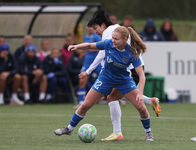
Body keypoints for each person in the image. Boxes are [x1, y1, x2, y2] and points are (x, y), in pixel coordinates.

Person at [72, 10, 160, 141]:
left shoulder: (115, 37)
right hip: (120, 72)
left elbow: (102, 53)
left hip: (129, 72)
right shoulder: (114, 32)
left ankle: (121, 132)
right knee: (114, 97)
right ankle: (148, 102)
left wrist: (88, 71)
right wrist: (78, 46)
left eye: (96, 28)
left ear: (102, 25)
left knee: (114, 98)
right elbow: (96, 46)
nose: (96, 32)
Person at [54, 26, 154, 141]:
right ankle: (69, 128)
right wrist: (77, 46)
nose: (113, 41)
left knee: (141, 108)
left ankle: (148, 133)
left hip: (124, 81)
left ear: (125, 39)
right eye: (112, 38)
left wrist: (140, 93)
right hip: (105, 78)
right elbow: (90, 45)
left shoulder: (132, 52)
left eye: (116, 39)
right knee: (85, 105)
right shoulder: (109, 44)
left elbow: (141, 75)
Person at [73, 26, 102, 109]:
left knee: (106, 79)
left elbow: (101, 48)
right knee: (82, 80)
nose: (90, 29)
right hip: (87, 63)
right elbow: (87, 49)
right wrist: (83, 53)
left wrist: (90, 49)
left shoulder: (97, 37)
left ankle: (117, 98)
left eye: (92, 27)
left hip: (97, 63)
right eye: (88, 27)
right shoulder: (85, 37)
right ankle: (81, 102)